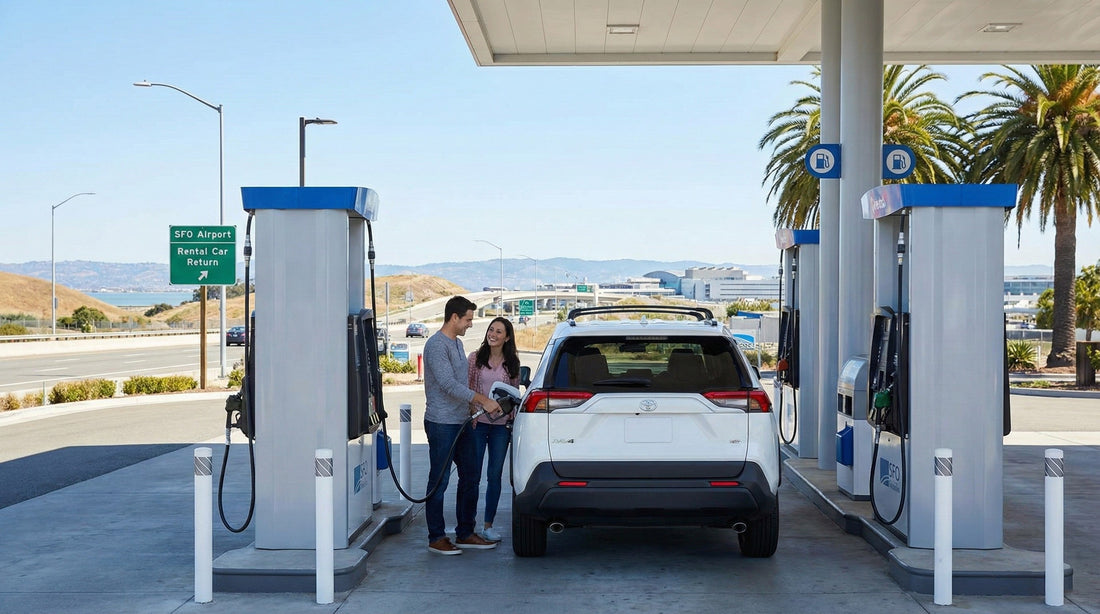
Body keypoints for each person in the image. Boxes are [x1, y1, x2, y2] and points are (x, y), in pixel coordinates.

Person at [422, 296, 502, 555]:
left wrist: (470, 405)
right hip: (441, 423)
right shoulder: (436, 345)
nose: (470, 324)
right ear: (454, 317)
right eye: (467, 319)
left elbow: (460, 382)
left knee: (471, 476)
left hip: (462, 421)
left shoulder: (457, 344)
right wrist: (482, 400)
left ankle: (465, 533)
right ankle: (436, 537)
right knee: (440, 480)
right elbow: (447, 384)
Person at [467, 316, 521, 543]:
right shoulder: (474, 359)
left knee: (494, 476)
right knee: (472, 475)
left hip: (501, 428)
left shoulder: (513, 364)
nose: (493, 334)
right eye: (491, 330)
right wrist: (471, 414)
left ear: (507, 337)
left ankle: (488, 525)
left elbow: (515, 393)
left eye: (499, 332)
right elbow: (467, 389)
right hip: (478, 425)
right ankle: (467, 526)